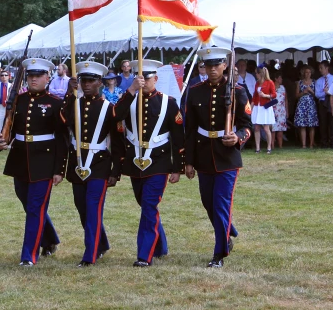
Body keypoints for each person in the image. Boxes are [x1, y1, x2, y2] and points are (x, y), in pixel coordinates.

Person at [0, 58, 68, 266]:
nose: (33, 79)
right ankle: (50, 238)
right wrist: (2, 141)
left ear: (47, 77)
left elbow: (62, 140)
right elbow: (10, 129)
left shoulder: (55, 103)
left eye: (38, 76)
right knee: (30, 205)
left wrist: (59, 169)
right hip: (19, 159)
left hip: (44, 161)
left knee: (36, 208)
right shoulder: (19, 99)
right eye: (30, 76)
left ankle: (29, 255)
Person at [185, 46, 252, 268]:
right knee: (208, 203)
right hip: (204, 153)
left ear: (224, 65)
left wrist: (238, 137)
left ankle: (219, 254)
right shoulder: (195, 91)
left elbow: (247, 125)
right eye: (208, 65)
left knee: (221, 204)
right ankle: (228, 229)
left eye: (217, 65)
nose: (212, 69)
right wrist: (189, 161)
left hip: (227, 157)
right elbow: (190, 129)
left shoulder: (237, 91)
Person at [62, 61, 134, 267]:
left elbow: (118, 142)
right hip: (77, 162)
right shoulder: (73, 104)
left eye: (91, 80)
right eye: (83, 80)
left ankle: (89, 255)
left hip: (100, 163)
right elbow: (62, 119)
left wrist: (116, 171)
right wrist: (69, 91)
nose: (86, 84)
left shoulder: (108, 108)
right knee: (82, 208)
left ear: (100, 83)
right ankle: (101, 243)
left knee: (93, 208)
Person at [114, 59, 182, 268]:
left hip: (159, 162)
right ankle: (160, 246)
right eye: (140, 78)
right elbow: (116, 116)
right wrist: (132, 90)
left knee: (149, 206)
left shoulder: (168, 102)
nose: (144, 81)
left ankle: (145, 254)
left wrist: (178, 166)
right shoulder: (129, 99)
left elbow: (178, 136)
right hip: (135, 162)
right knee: (145, 205)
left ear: (157, 78)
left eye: (148, 77)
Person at [251, 65, 276, 154]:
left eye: (256, 73)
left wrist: (265, 95)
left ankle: (269, 147)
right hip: (258, 106)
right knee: (256, 127)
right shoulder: (257, 83)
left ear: (260, 73)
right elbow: (254, 96)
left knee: (266, 128)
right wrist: (251, 106)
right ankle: (258, 148)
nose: (255, 75)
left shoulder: (270, 82)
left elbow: (274, 95)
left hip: (265, 107)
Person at [314, 61, 333, 147]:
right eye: (319, 68)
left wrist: (329, 91)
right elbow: (317, 94)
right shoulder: (318, 81)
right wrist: (325, 93)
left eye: (321, 68)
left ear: (327, 68)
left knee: (332, 122)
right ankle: (323, 142)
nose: (320, 70)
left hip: (332, 102)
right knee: (323, 123)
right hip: (322, 103)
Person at [294, 66, 319, 148]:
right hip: (302, 105)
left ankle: (311, 144)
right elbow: (296, 96)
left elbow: (317, 95)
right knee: (302, 125)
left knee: (312, 125)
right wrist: (303, 92)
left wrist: (311, 91)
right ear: (303, 73)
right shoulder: (300, 82)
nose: (308, 74)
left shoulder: (315, 82)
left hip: (311, 105)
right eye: (306, 72)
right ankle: (304, 145)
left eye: (309, 72)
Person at [272, 71, 288, 148]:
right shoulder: (271, 87)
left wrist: (287, 111)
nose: (281, 79)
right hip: (273, 110)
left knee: (280, 129)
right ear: (276, 79)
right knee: (273, 129)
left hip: (281, 110)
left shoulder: (283, 88)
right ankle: (272, 146)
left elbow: (286, 100)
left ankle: (280, 146)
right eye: (279, 78)